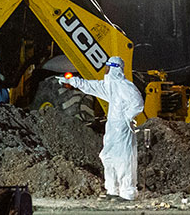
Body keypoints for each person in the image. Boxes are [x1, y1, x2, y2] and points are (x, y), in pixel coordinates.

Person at [58, 56, 144, 201]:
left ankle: (127, 192)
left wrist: (126, 117)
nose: (105, 70)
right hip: (112, 126)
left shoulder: (125, 86)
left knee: (123, 159)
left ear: (113, 68)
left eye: (107, 68)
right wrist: (71, 81)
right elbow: (91, 86)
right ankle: (112, 190)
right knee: (108, 156)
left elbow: (138, 104)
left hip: (122, 127)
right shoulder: (110, 87)